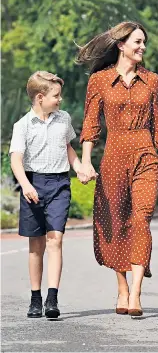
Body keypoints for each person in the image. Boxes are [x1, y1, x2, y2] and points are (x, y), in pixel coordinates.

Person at [76, 21, 158, 317]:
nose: (142, 47)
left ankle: (136, 293)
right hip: (113, 157)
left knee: (141, 219)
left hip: (146, 155)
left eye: (144, 42)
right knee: (116, 222)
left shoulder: (153, 81)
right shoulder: (99, 81)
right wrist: (85, 161)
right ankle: (121, 289)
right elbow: (91, 125)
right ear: (121, 45)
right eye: (137, 42)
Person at [9, 71, 85, 319]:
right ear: (40, 97)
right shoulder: (22, 126)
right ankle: (35, 298)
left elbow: (68, 148)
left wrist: (80, 168)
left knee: (56, 239)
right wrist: (26, 186)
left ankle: (52, 298)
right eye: (56, 96)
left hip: (59, 184)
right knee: (36, 245)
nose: (60, 100)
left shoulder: (63, 119)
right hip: (33, 183)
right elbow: (16, 160)